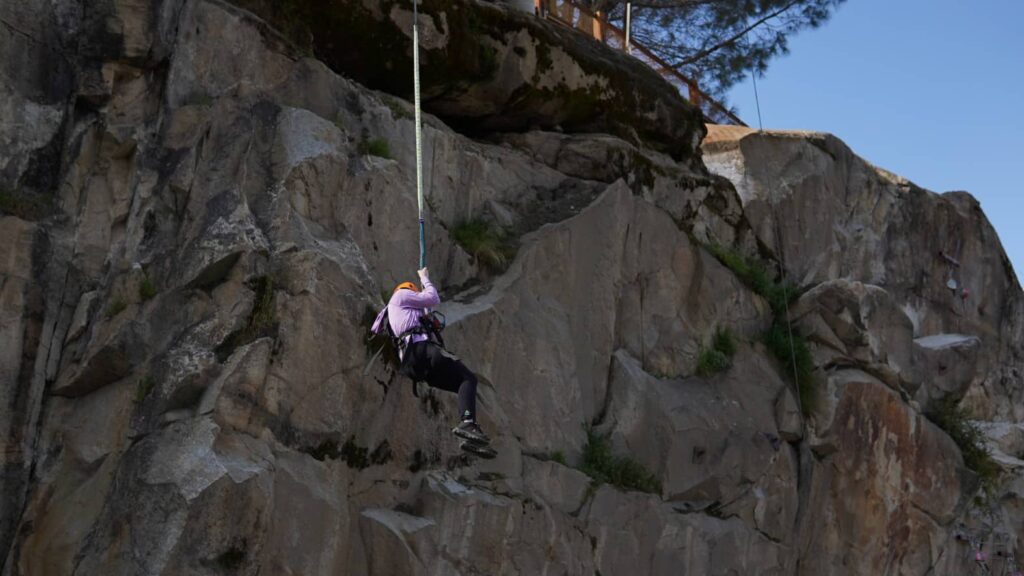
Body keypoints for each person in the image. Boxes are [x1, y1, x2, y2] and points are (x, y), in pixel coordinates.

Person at [371, 267, 491, 446]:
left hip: (416, 365)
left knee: (463, 385)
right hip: (422, 350)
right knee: (469, 378)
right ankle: (467, 424)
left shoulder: (401, 315)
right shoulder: (400, 295)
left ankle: (468, 431)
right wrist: (425, 278)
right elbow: (433, 297)